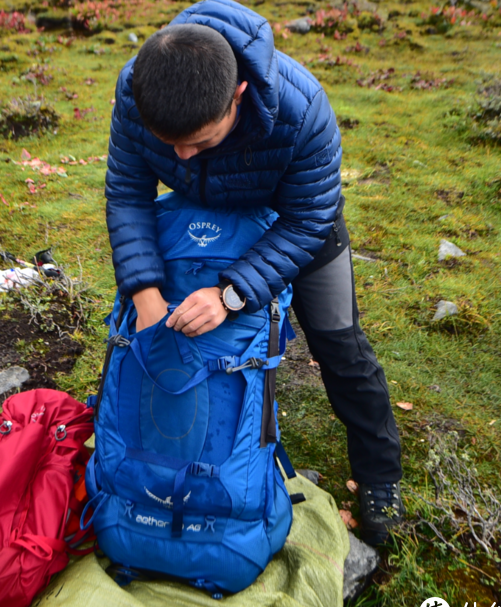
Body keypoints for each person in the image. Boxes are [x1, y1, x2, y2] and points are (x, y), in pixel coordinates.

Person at [104, 0, 404, 545]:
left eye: (199, 140)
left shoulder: (303, 108)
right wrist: (145, 295)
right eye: (170, 143)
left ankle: (380, 475)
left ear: (237, 95)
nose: (182, 156)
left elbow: (308, 217)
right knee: (165, 335)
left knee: (340, 344)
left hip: (297, 223)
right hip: (204, 217)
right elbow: (128, 193)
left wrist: (232, 294)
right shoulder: (140, 86)